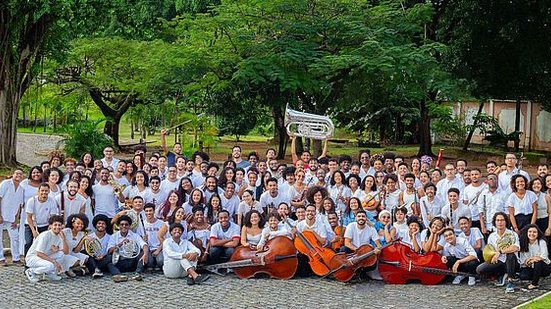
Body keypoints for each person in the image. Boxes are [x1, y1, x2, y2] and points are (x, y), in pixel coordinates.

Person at [24, 215, 80, 283]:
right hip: (33, 258)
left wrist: (63, 239)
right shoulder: (45, 235)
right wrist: (54, 262)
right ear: (50, 226)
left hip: (45, 257)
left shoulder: (59, 236)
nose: (57, 227)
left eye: (59, 225)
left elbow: (66, 252)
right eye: (55, 225)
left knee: (61, 254)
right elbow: (39, 253)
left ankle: (49, 273)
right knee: (50, 265)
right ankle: (31, 271)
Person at [476, 212, 520, 293]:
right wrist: (491, 257)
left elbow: (516, 247)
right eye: (498, 220)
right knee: (480, 269)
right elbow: (489, 250)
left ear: (506, 222)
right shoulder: (492, 236)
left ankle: (510, 281)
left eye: (502, 220)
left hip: (512, 262)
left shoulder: (512, 234)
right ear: (495, 222)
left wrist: (500, 252)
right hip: (499, 262)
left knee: (510, 255)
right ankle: (501, 274)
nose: (500, 222)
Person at [107, 215, 148, 282]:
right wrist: (120, 244)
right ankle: (118, 275)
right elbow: (109, 251)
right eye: (122, 224)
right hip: (120, 261)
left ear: (129, 226)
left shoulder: (135, 236)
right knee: (109, 263)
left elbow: (144, 245)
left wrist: (145, 254)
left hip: (132, 261)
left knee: (143, 253)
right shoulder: (113, 236)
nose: (124, 226)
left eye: (126, 224)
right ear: (118, 226)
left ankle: (137, 273)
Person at [24, 183, 59, 255]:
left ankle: (41, 259)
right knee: (28, 242)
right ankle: (27, 261)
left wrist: (50, 226)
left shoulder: (52, 201)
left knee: (44, 243)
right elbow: (29, 217)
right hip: (31, 224)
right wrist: (33, 231)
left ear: (49, 191)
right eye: (42, 190)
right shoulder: (32, 201)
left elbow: (53, 217)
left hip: (45, 225)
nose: (44, 192)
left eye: (46, 191)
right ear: (38, 191)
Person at [0, 169, 25, 266]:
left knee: (15, 237)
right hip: (2, 214)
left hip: (11, 217)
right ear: (13, 174)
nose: (18, 175)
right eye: (17, 173)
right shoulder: (5, 184)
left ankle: (16, 258)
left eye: (20, 174)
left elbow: (19, 206)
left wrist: (16, 219)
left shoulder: (21, 189)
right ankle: (1, 259)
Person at [518, 224, 551, 290]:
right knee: (523, 276)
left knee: (537, 263)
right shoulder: (523, 244)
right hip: (530, 267)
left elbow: (543, 256)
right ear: (527, 233)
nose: (532, 234)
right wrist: (531, 260)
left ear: (538, 234)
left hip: (544, 266)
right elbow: (523, 261)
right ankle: (537, 276)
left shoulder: (541, 242)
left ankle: (534, 284)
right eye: (530, 232)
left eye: (534, 232)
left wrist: (530, 259)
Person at [84, 214, 111, 278]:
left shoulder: (110, 237)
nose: (101, 225)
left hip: (104, 259)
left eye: (103, 223)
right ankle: (96, 269)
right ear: (95, 225)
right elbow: (88, 250)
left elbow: (110, 250)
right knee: (85, 254)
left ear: (106, 226)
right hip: (93, 259)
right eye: (99, 223)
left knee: (111, 256)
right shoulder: (90, 236)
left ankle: (95, 269)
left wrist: (103, 256)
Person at [143, 203, 164, 270]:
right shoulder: (142, 224)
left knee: (161, 261)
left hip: (159, 248)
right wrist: (143, 240)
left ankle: (157, 262)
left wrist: (158, 250)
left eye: (150, 210)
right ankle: (153, 263)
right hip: (148, 249)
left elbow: (165, 240)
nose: (148, 213)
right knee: (149, 263)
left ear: (154, 211)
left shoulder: (161, 223)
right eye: (146, 211)